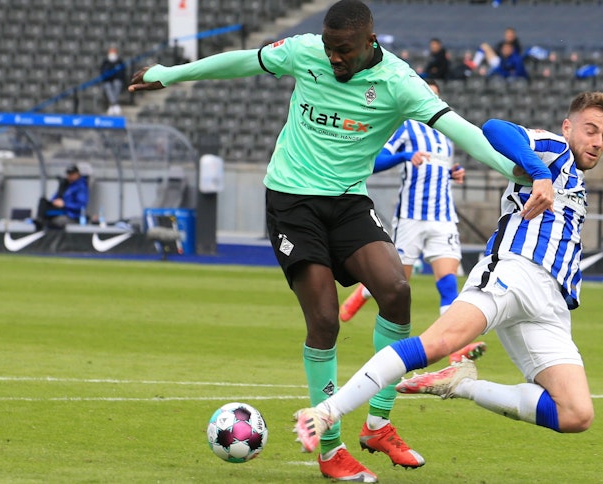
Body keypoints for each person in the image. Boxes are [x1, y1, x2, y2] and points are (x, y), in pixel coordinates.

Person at [128, 1, 534, 481]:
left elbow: (460, 129)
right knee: (323, 319)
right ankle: (329, 447)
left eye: (343, 50)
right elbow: (241, 61)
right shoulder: (304, 52)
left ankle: (378, 425)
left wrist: (518, 172)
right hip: (292, 200)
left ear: (369, 42)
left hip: (347, 202)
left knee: (396, 291)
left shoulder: (398, 82)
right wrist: (169, 74)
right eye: (329, 48)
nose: (334, 58)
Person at [294, 92, 603, 457]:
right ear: (568, 127)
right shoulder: (555, 151)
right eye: (591, 130)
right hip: (514, 273)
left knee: (576, 413)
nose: (598, 141)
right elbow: (495, 129)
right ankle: (325, 412)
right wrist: (540, 174)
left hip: (550, 305)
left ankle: (460, 384)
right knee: (435, 344)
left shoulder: (577, 180)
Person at [340, 79, 465, 322]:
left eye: (434, 96)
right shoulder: (406, 127)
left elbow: (434, 170)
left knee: (448, 284)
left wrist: (452, 174)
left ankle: (455, 345)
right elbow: (374, 162)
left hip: (443, 217)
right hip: (411, 216)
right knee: (397, 282)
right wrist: (405, 155)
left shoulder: (445, 134)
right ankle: (365, 291)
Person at [37, 164, 89, 228]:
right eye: (69, 174)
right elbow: (54, 198)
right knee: (43, 201)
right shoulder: (65, 185)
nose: (70, 176)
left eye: (72, 174)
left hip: (72, 216)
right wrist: (55, 202)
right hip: (59, 212)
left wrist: (65, 204)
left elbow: (81, 205)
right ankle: (39, 220)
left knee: (55, 222)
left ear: (77, 174)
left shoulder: (81, 187)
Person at [100, 47, 127, 115]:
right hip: (107, 81)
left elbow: (122, 73)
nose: (112, 54)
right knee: (107, 86)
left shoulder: (120, 61)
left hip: (117, 80)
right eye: (111, 52)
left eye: (113, 52)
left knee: (117, 84)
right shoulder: (105, 62)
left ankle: (112, 105)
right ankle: (115, 104)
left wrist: (114, 74)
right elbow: (103, 72)